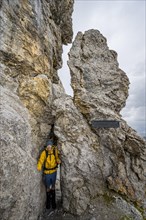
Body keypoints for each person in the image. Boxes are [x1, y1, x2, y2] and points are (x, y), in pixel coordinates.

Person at [37, 140, 61, 209]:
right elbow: (41, 160)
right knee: (48, 187)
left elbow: (57, 158)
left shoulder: (54, 151)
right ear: (46, 147)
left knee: (53, 186)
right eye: (48, 146)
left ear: (52, 146)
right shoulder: (44, 153)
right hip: (47, 173)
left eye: (50, 146)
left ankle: (53, 202)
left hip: (54, 172)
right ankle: (48, 201)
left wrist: (58, 160)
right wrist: (39, 166)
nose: (49, 147)